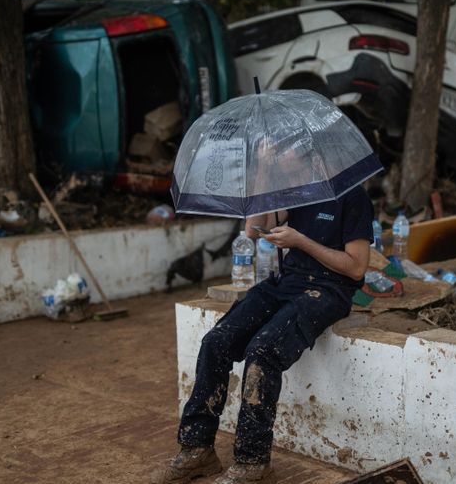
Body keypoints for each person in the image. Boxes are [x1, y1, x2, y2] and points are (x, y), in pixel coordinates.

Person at [151, 177, 373, 484]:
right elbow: (252, 232)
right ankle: (197, 449)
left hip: (328, 290)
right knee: (216, 341)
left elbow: (356, 267)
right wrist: (264, 177)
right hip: (287, 283)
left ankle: (253, 462)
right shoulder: (297, 189)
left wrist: (301, 241)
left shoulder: (352, 195)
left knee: (263, 351)